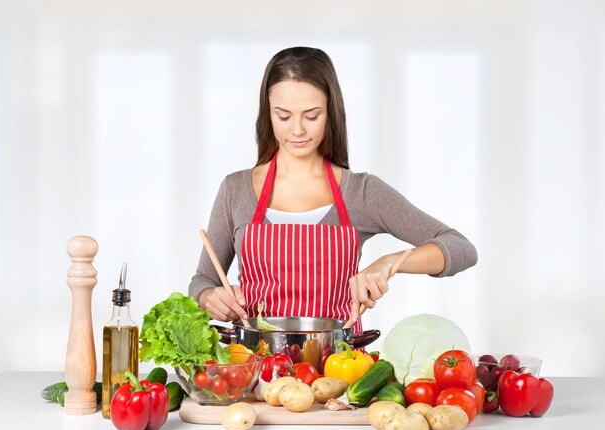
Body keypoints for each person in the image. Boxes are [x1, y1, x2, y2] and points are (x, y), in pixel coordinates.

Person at [189, 46, 477, 332]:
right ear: (268, 113)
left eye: (311, 115)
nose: (298, 130)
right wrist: (209, 298)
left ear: (330, 113)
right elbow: (202, 280)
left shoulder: (361, 192)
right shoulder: (235, 189)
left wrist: (390, 263)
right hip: (256, 369)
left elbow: (461, 248)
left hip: (338, 369)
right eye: (283, 115)